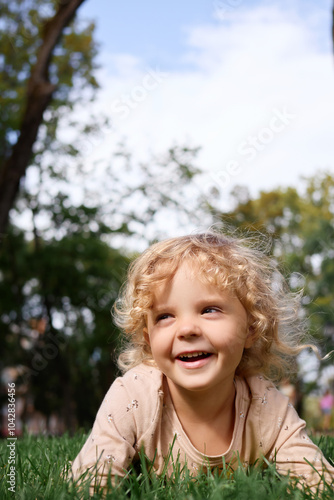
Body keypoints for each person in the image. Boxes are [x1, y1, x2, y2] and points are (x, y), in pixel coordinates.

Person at [71, 232, 334, 491]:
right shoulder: (133, 395)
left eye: (209, 310)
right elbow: (92, 482)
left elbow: (317, 481)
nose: (187, 329)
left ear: (251, 329)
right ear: (148, 338)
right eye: (164, 316)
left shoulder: (265, 405)